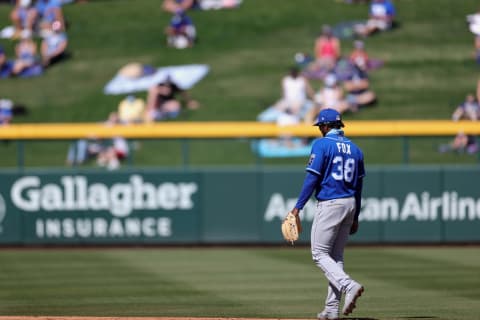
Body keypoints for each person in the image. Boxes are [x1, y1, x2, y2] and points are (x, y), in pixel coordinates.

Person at [287, 108, 365, 320]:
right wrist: (356, 214)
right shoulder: (356, 150)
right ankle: (331, 309)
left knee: (319, 254)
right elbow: (358, 187)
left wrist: (297, 208)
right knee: (335, 257)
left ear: (325, 126)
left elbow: (312, 178)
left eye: (320, 126)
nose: (319, 129)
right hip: (349, 203)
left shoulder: (322, 144)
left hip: (331, 203)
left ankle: (349, 286)